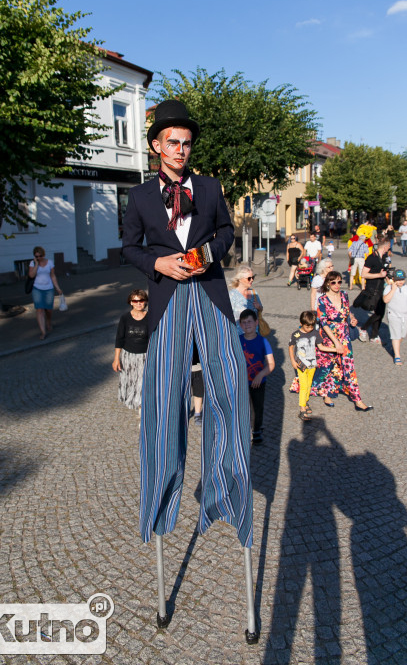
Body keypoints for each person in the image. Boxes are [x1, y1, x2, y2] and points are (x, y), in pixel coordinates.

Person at [122, 99, 253, 548]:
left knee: (230, 390)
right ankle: (160, 500)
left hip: (211, 294)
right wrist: (159, 261)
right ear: (157, 146)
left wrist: (207, 255)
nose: (180, 149)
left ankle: (226, 493)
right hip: (167, 299)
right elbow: (129, 248)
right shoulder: (139, 196)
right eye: (172, 142)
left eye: (186, 143)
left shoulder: (211, 188)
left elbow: (226, 233)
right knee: (162, 400)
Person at [291, 271, 373, 411]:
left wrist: (351, 318)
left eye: (339, 282)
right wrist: (336, 342)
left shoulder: (344, 296)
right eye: (333, 282)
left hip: (344, 336)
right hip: (329, 337)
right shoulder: (322, 300)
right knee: (327, 367)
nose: (337, 285)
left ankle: (358, 400)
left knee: (348, 368)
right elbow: (324, 323)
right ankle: (327, 394)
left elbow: (346, 312)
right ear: (328, 283)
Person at [289, 310, 342, 421]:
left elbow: (321, 347)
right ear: (301, 323)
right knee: (303, 386)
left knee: (309, 385)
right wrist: (293, 361)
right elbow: (291, 347)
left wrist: (335, 350)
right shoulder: (296, 334)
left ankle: (305, 402)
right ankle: (302, 408)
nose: (309, 329)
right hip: (301, 365)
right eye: (307, 327)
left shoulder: (315, 333)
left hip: (312, 364)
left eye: (311, 327)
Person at [239, 309, 275, 444]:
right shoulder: (237, 340)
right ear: (240, 325)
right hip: (242, 381)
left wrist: (261, 374)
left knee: (257, 406)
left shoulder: (263, 341)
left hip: (258, 382)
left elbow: (271, 364)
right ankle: (244, 428)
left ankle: (257, 429)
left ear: (256, 323)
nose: (247, 324)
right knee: (244, 406)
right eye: (244, 322)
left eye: (250, 321)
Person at [112, 289, 149, 413]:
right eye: (135, 301)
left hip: (145, 356)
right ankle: (135, 403)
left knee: (143, 382)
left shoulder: (150, 317)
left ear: (145, 302)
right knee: (131, 381)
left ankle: (141, 409)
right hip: (129, 356)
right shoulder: (125, 318)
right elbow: (119, 338)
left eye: (141, 300)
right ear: (131, 302)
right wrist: (116, 359)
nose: (139, 303)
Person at [28, 246, 63, 340]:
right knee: (39, 310)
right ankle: (43, 332)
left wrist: (58, 288)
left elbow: (52, 276)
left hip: (49, 288)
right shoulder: (32, 263)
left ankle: (48, 321)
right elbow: (31, 275)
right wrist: (36, 264)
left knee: (49, 309)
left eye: (40, 256)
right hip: (37, 289)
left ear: (43, 255)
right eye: (36, 256)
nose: (38, 258)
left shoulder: (50, 262)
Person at [359, 237, 390, 343]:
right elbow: (364, 274)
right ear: (385, 246)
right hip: (373, 288)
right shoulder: (371, 258)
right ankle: (363, 328)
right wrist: (379, 275)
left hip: (382, 287)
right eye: (389, 247)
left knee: (381, 312)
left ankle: (374, 335)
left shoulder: (384, 256)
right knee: (378, 312)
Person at [383, 269, 407, 366]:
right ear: (393, 279)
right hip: (393, 315)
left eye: (402, 279)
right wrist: (393, 289)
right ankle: (397, 356)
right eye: (398, 280)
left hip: (405, 315)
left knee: (402, 335)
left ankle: (394, 346)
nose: (400, 281)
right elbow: (385, 300)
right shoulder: (388, 288)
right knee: (396, 336)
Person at [228, 265, 263, 334]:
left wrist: (259, 307)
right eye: (249, 278)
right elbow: (227, 317)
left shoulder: (253, 292)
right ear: (240, 279)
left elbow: (261, 309)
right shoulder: (232, 295)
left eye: (253, 277)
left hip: (254, 334)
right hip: (239, 335)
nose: (252, 280)